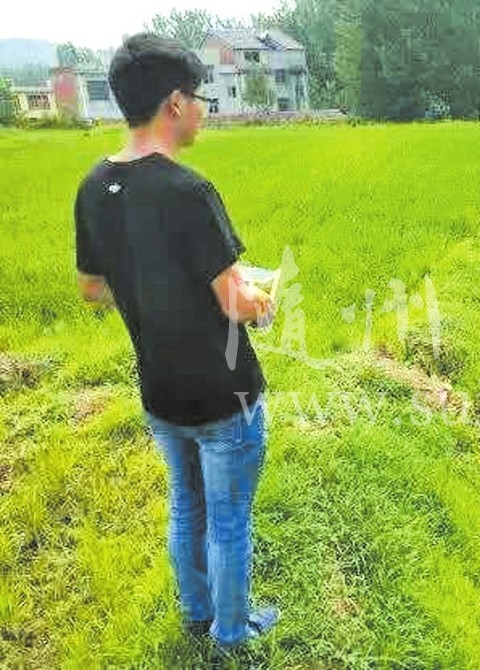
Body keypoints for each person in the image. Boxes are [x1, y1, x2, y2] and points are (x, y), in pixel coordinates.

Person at [73, 32, 278, 650]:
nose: (203, 110)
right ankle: (233, 636)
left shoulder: (93, 186)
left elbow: (92, 287)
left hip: (160, 391)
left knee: (185, 504)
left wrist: (151, 289)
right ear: (174, 103)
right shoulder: (191, 192)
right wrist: (264, 299)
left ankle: (197, 613)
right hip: (224, 396)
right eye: (199, 98)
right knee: (229, 521)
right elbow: (233, 302)